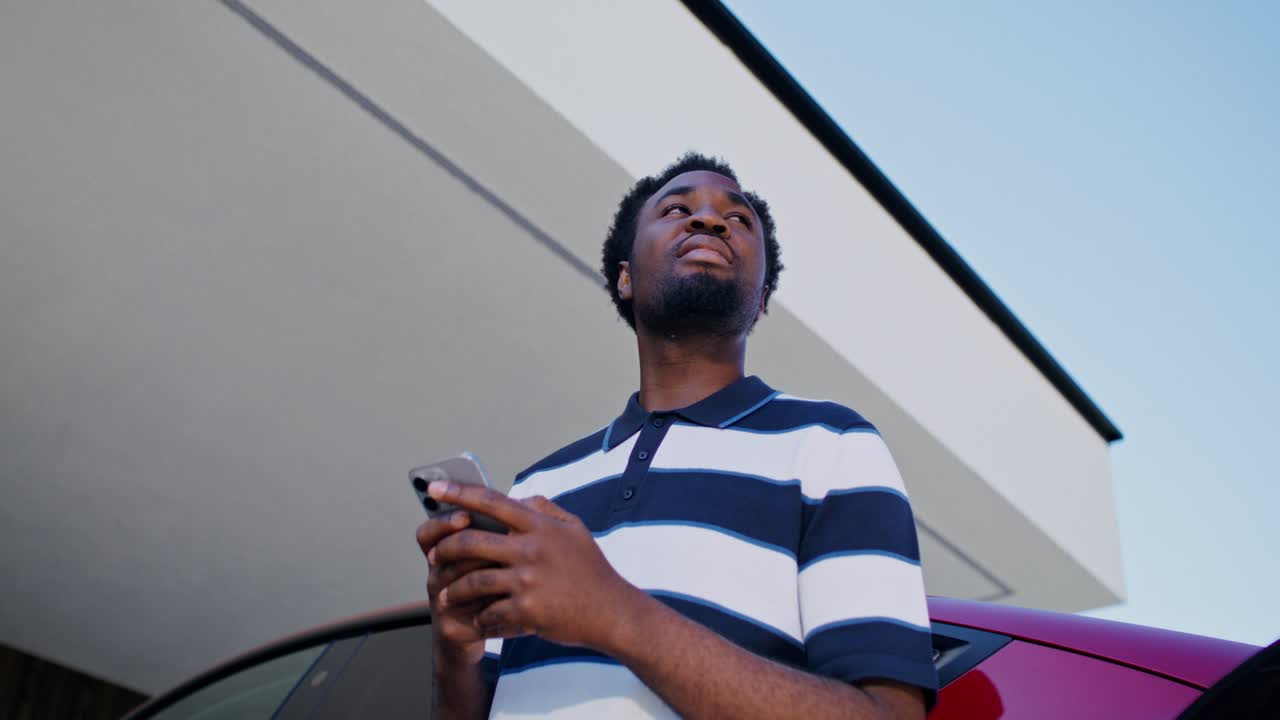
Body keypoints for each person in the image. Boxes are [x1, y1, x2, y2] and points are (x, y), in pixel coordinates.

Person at [416, 153, 938, 719]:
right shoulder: (538, 487)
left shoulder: (832, 446)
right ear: (625, 277)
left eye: (738, 220)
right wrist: (455, 652)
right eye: (677, 208)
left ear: (762, 299)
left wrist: (615, 613)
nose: (710, 220)